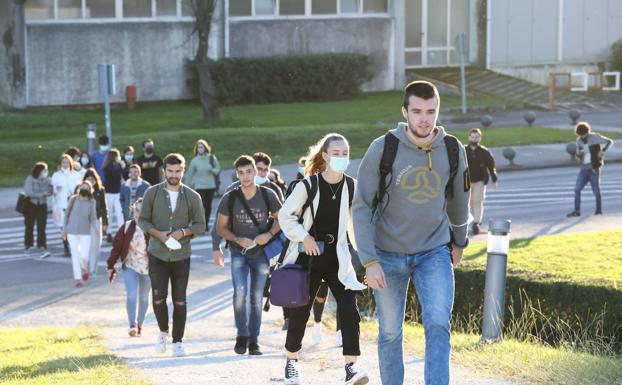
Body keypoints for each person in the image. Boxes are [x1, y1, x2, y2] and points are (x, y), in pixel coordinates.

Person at [352, 81, 470, 385]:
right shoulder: (383, 148)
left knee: (438, 325)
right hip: (387, 256)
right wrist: (369, 260)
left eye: (431, 111)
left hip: (434, 253)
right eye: (417, 111)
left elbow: (459, 201)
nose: (424, 119)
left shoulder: (452, 149)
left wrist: (459, 241)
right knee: (390, 332)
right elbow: (362, 207)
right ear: (405, 112)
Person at [278, 133, 368, 385]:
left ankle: (351, 366)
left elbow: (360, 223)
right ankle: (292, 360)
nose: (341, 158)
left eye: (345, 154)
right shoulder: (308, 185)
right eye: (336, 153)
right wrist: (304, 237)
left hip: (338, 258)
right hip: (309, 258)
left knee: (349, 309)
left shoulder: (352, 186)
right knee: (300, 312)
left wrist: (371, 258)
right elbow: (286, 216)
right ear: (326, 156)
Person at [138, 153, 206, 357]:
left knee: (180, 300)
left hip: (181, 256)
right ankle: (162, 332)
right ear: (164, 171)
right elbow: (143, 221)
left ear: (183, 171)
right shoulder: (152, 193)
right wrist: (159, 235)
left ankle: (178, 341)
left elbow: (200, 225)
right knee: (158, 298)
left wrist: (182, 232)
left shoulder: (193, 196)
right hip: (157, 254)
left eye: (178, 171)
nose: (174, 175)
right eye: (170, 171)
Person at [215, 155, 282, 356]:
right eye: (241, 173)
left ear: (255, 171)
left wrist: (269, 234)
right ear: (237, 174)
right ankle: (241, 336)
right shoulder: (231, 197)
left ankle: (254, 340)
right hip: (238, 253)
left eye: (249, 171)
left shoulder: (268, 195)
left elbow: (282, 220)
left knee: (255, 297)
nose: (245, 176)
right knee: (240, 294)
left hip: (261, 254)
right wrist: (236, 238)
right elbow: (220, 228)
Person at [107, 198, 151, 337]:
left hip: (148, 268)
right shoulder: (127, 226)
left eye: (142, 211)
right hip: (130, 266)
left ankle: (140, 324)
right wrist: (110, 265)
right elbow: (117, 247)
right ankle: (132, 325)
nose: (139, 213)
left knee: (144, 298)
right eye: (136, 210)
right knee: (132, 294)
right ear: (133, 210)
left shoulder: (153, 227)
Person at [567, 121, 614, 217]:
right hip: (584, 168)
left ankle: (598, 210)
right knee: (577, 189)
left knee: (596, 190)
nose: (583, 137)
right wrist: (578, 154)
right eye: (581, 135)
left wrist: (603, 151)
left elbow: (609, 141)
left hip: (594, 168)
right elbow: (578, 155)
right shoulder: (579, 140)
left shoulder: (595, 137)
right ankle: (577, 211)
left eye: (584, 134)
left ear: (587, 132)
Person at [63, 180, 99, 288]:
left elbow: (93, 218)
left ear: (89, 190)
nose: (84, 189)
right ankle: (78, 278)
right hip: (71, 231)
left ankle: (84, 269)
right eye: (82, 187)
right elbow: (66, 215)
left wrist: (96, 229)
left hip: (85, 231)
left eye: (86, 188)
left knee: (84, 255)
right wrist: (64, 230)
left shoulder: (92, 202)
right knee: (75, 254)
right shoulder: (73, 199)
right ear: (79, 189)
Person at [465, 128, 498, 235]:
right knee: (468, 203)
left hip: (480, 181)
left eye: (476, 137)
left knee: (478, 202)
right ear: (469, 137)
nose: (474, 139)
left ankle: (476, 223)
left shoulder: (484, 152)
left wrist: (494, 179)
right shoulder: (463, 151)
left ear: (480, 138)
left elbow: (491, 166)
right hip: (466, 181)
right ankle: (470, 222)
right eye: (472, 137)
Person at [184, 139, 221, 231]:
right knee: (201, 206)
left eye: (202, 147)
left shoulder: (211, 158)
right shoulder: (195, 161)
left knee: (208, 206)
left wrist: (212, 170)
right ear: (196, 149)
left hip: (210, 185)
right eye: (199, 147)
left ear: (205, 148)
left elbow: (218, 168)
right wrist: (186, 187)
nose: (200, 149)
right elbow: (190, 174)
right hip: (199, 186)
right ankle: (201, 224)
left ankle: (206, 224)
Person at [52, 154, 81, 257]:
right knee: (63, 227)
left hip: (73, 203)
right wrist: (56, 189)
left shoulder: (76, 174)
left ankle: (74, 246)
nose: (65, 164)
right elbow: (52, 189)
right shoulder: (56, 175)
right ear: (60, 164)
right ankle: (65, 246)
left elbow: (80, 188)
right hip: (61, 204)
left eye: (67, 162)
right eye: (63, 162)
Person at [23, 162, 52, 258]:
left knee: (42, 226)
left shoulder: (46, 180)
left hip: (42, 205)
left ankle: (42, 247)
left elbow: (50, 192)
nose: (45, 172)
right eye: (44, 170)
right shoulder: (30, 179)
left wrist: (50, 184)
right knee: (29, 226)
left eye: (46, 171)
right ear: (39, 170)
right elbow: (29, 192)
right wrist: (42, 194)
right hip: (31, 205)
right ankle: (28, 246)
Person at [83, 168, 108, 275]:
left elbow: (104, 207)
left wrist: (105, 222)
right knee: (85, 246)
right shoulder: (81, 190)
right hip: (84, 222)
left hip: (97, 220)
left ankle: (93, 269)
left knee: (95, 246)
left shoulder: (100, 190)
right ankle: (84, 267)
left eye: (92, 179)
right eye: (88, 179)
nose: (90, 181)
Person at [103, 149, 125, 241]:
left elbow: (124, 175)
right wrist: (120, 166)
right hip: (109, 193)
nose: (119, 158)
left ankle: (122, 232)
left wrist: (122, 167)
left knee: (120, 213)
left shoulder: (119, 166)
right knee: (110, 213)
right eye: (118, 156)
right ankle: (109, 233)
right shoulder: (107, 167)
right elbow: (112, 175)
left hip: (118, 192)